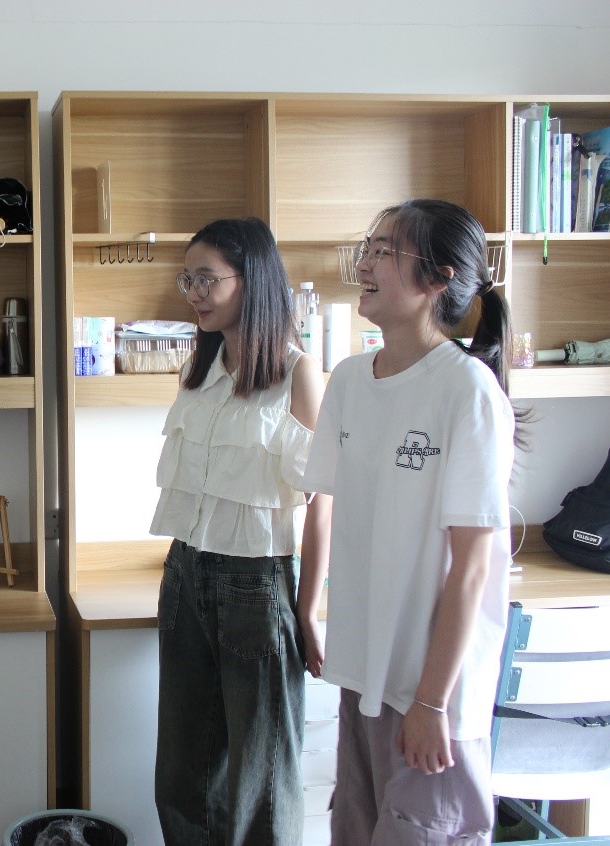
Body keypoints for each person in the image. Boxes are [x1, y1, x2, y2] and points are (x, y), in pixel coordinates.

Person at [301, 199, 519, 845]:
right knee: (355, 830)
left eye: (385, 251)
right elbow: (328, 507)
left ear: (437, 279)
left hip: (430, 691)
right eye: (367, 248)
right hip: (363, 672)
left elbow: (472, 568)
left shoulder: (466, 390)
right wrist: (308, 612)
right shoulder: (348, 379)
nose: (364, 264)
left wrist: (431, 702)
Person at [151, 217, 331, 846]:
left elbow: (323, 500)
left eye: (207, 279)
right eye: (188, 280)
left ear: (250, 281)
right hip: (184, 576)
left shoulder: (298, 372)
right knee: (182, 776)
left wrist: (308, 608)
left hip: (256, 586)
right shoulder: (197, 371)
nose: (194, 294)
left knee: (261, 782)